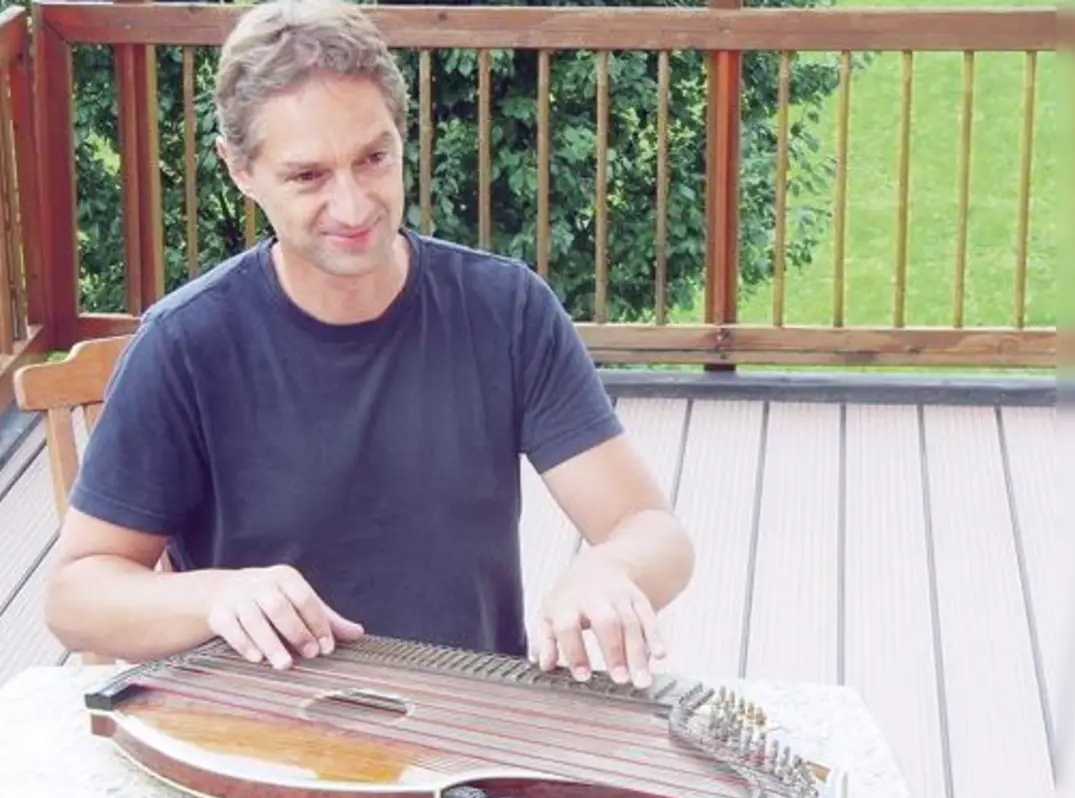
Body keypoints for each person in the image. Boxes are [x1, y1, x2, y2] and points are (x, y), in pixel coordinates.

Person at [44, 0, 695, 689]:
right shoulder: (186, 344)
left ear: (402, 138)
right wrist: (214, 595)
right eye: (307, 176)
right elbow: (75, 598)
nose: (353, 207)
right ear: (239, 169)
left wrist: (610, 568)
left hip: (470, 734)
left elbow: (653, 529)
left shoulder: (505, 311)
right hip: (263, 739)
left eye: (373, 158)